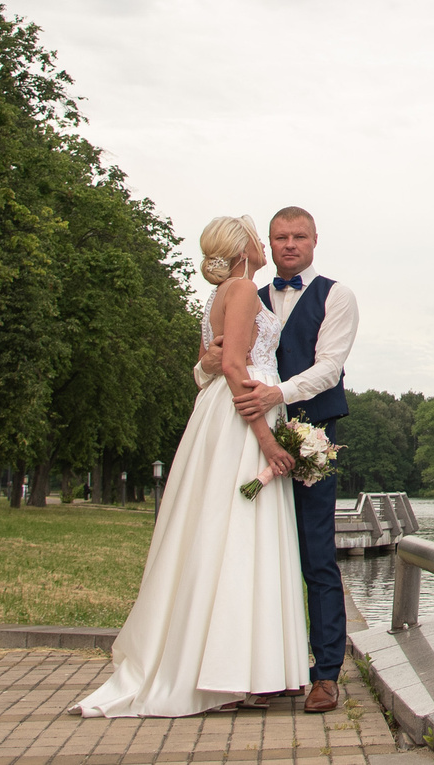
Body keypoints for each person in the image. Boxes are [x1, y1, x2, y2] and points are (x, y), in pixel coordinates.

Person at [74, 216, 308, 716]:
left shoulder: (220, 293)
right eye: (257, 235)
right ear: (244, 246)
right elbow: (231, 366)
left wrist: (213, 368)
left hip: (218, 416)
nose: (266, 245)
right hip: (242, 422)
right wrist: (268, 442)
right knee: (239, 537)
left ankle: (231, 667)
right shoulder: (243, 287)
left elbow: (206, 363)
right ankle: (229, 672)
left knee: (218, 534)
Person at [199, 206, 360, 713]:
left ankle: (326, 673)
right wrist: (205, 363)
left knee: (316, 556)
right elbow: (219, 365)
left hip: (310, 434)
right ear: (265, 247)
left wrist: (278, 395)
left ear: (315, 240)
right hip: (253, 437)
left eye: (299, 236)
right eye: (279, 237)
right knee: (260, 552)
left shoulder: (337, 295)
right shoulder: (248, 294)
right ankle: (270, 669)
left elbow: (330, 368)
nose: (289, 244)